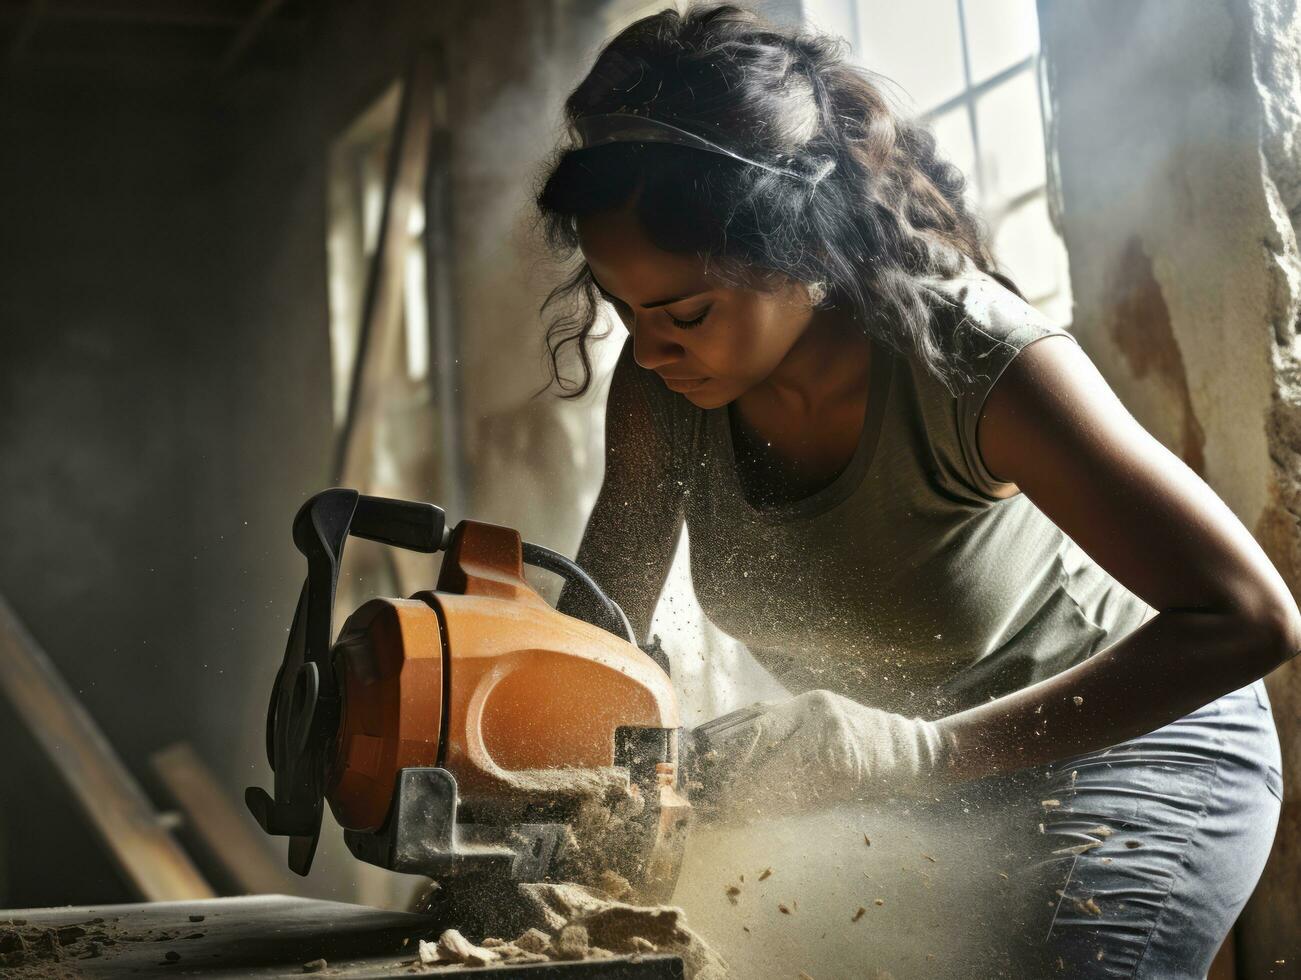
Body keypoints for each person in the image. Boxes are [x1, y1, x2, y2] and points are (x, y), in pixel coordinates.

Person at [538, 4, 1294, 976]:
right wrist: (549, 782)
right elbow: (593, 644)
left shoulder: (972, 359)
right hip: (925, 787)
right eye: (618, 306)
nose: (645, 346)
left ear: (798, 246)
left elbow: (1250, 617)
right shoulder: (660, 386)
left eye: (683, 309)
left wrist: (918, 756)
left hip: (1136, 750)